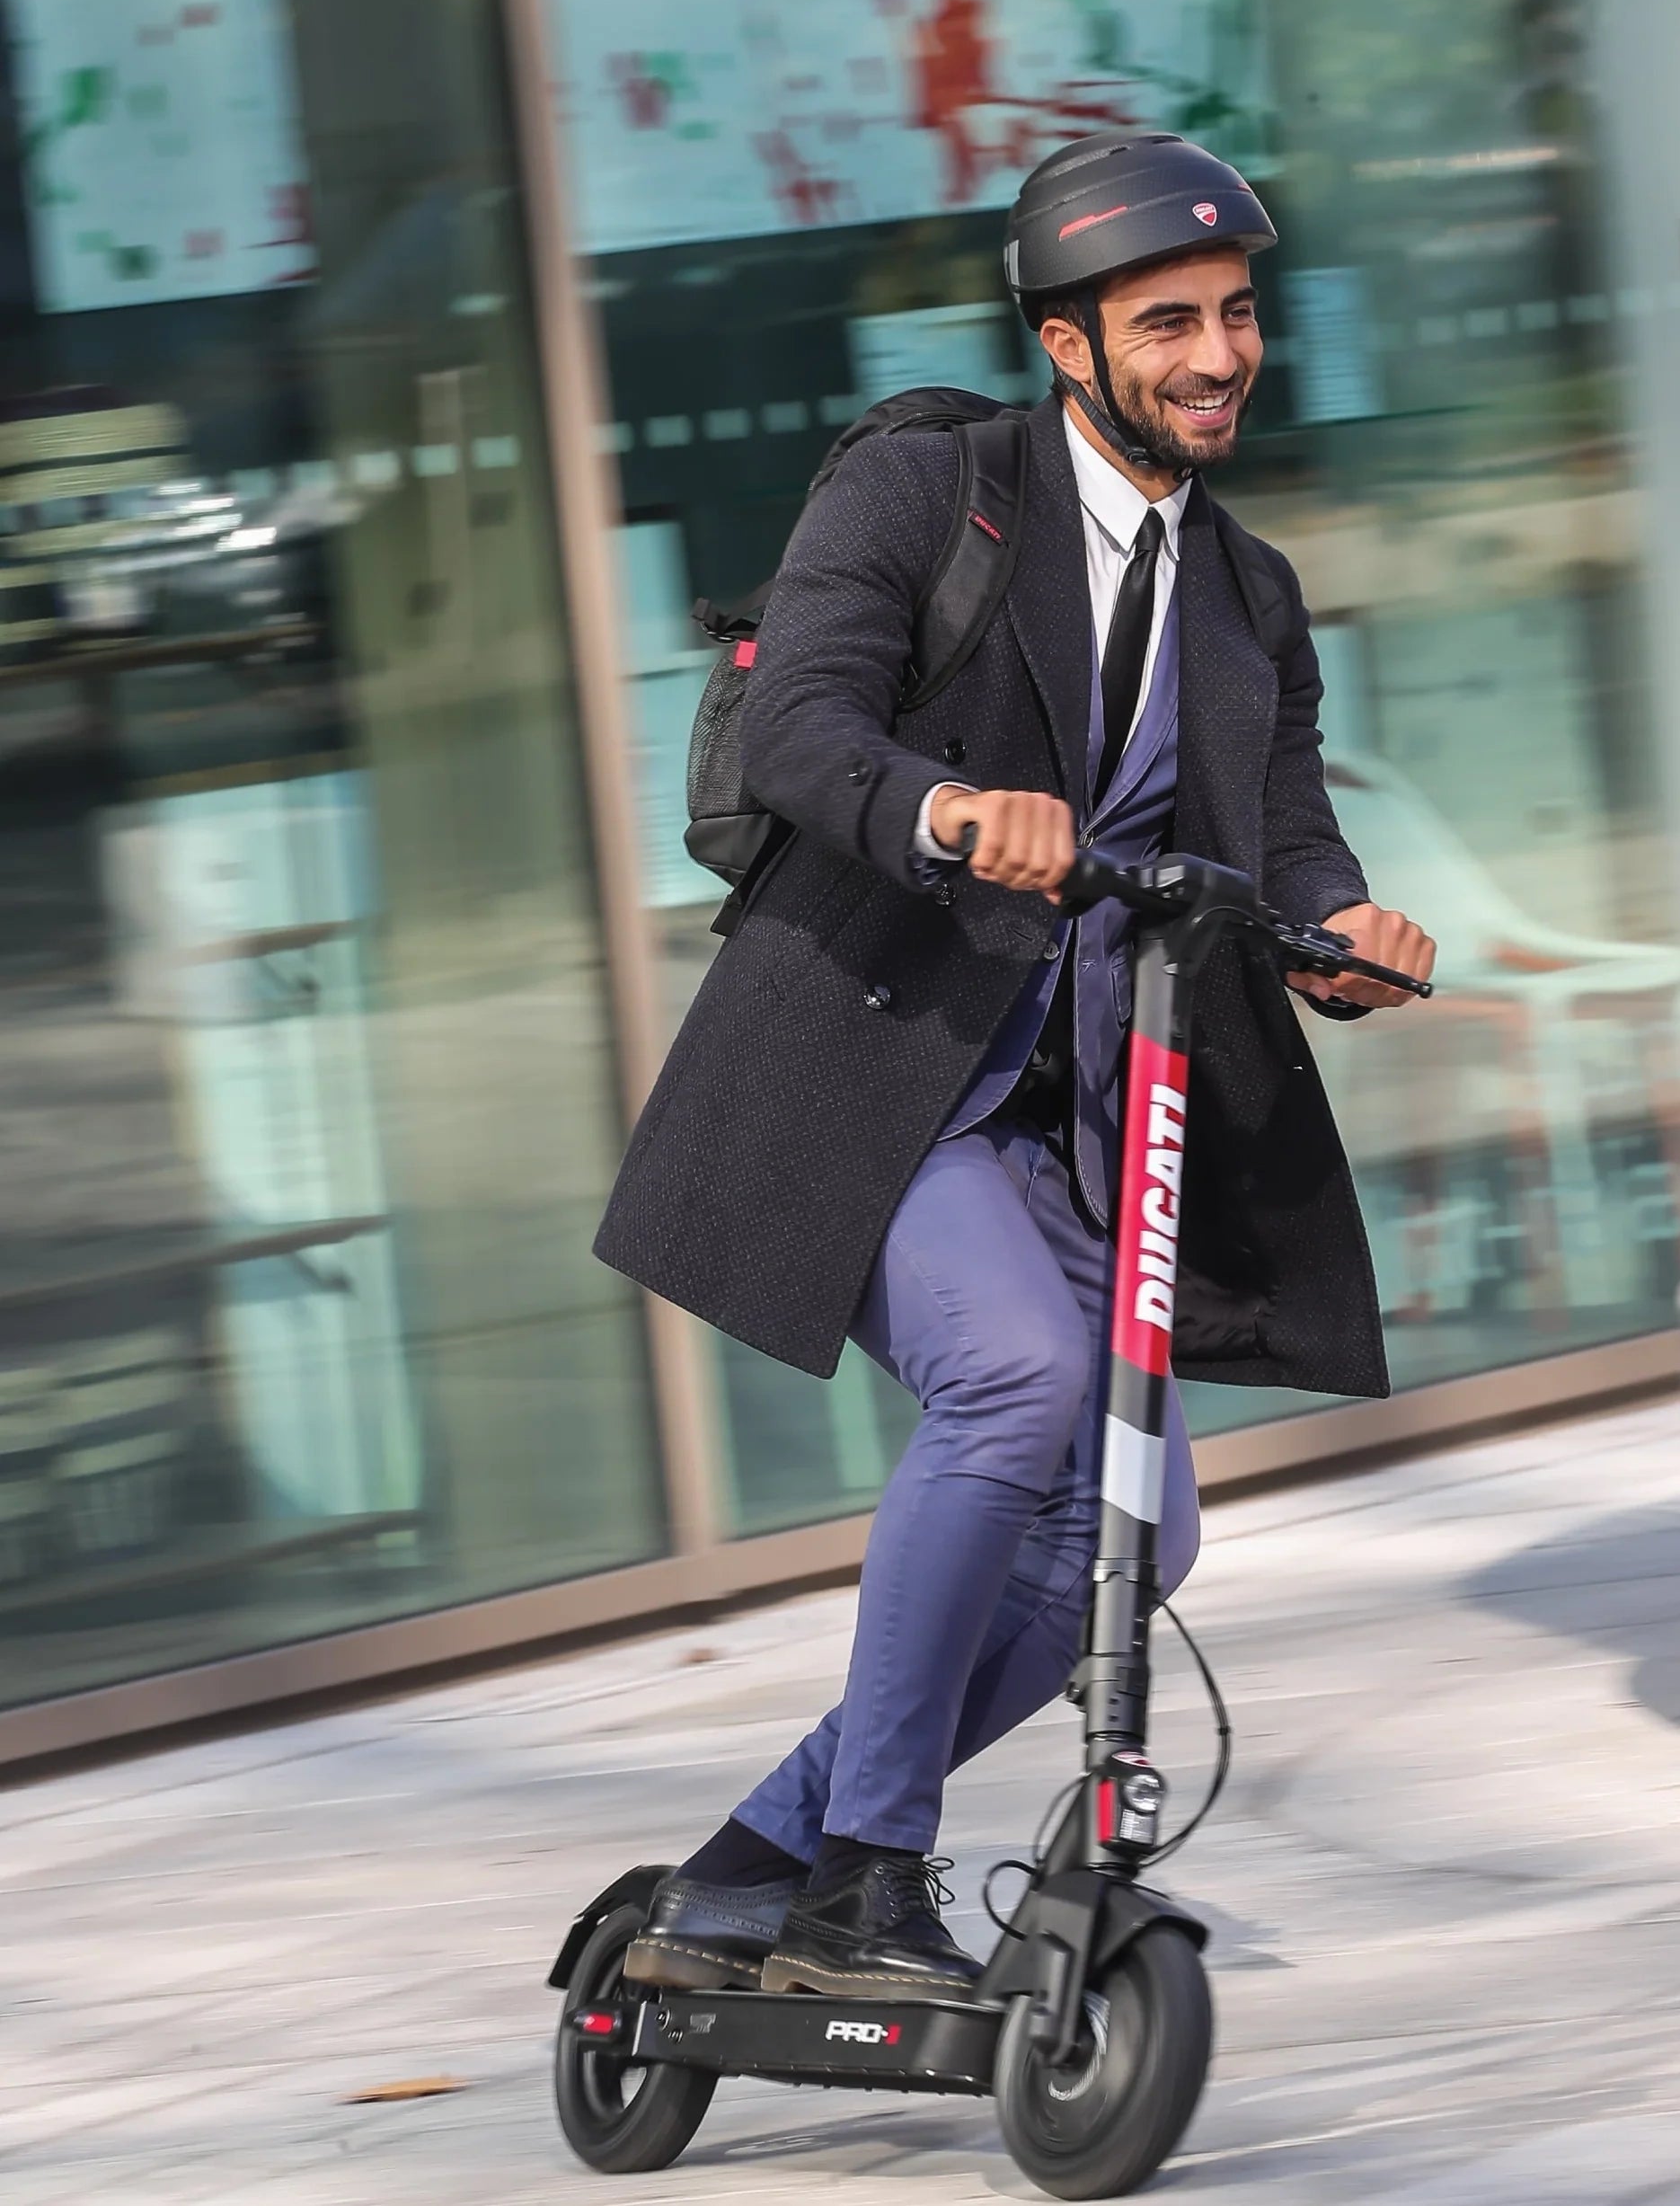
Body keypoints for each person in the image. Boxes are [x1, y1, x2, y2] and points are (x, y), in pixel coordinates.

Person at [594, 133, 1436, 2003]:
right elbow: (803, 722)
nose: (1218, 355)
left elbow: (1288, 834)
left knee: (1135, 1533)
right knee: (1016, 1378)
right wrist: (948, 810)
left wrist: (1341, 929)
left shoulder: (1250, 591)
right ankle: (872, 1871)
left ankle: (760, 1866)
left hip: (1077, 1116)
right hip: (876, 1070)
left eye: (1236, 315)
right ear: (1069, 345)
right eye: (1168, 323)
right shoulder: (933, 492)